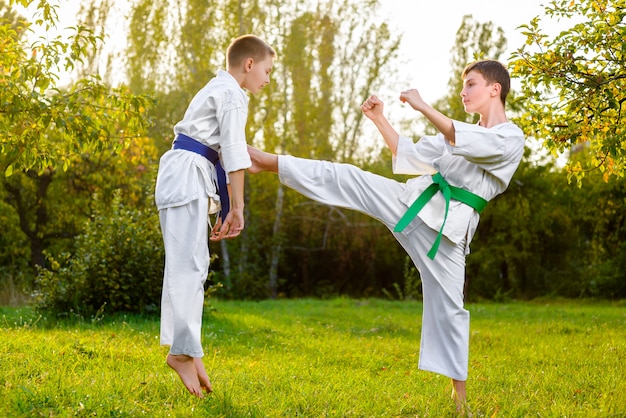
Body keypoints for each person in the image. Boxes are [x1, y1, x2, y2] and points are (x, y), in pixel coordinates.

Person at [247, 60, 524, 413]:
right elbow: (409, 155)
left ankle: (461, 402)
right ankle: (266, 161)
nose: (463, 91)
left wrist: (423, 105)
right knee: (348, 177)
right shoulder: (455, 133)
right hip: (413, 203)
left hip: (448, 234)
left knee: (451, 310)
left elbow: (459, 137)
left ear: (494, 89)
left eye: (470, 84)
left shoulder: (510, 137)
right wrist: (379, 119)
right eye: (463, 85)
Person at [154, 34, 276, 397]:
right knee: (187, 266)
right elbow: (235, 154)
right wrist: (237, 207)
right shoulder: (232, 94)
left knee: (192, 265)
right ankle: (182, 352)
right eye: (267, 70)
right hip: (186, 174)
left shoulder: (220, 88)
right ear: (249, 64)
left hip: (186, 174)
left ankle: (190, 350)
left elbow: (222, 152)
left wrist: (225, 206)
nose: (268, 79)